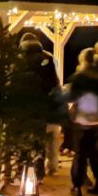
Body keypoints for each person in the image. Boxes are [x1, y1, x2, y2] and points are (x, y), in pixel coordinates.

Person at [67, 39, 98, 196]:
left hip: (81, 120)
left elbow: (71, 97)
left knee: (81, 153)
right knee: (94, 152)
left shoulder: (78, 77)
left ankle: (77, 184)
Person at [17, 32, 63, 177]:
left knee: (23, 139)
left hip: (23, 106)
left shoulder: (18, 59)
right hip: (42, 106)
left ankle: (22, 171)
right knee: (39, 141)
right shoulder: (47, 58)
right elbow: (54, 84)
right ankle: (39, 172)